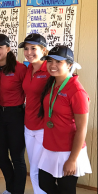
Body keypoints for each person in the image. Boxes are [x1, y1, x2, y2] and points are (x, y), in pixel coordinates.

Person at [37, 46, 92, 194]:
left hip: (68, 150)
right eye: (49, 61)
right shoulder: (53, 83)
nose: (52, 65)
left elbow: (82, 129)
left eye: (58, 62)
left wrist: (72, 160)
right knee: (44, 183)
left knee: (66, 189)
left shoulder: (77, 91)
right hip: (51, 146)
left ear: (69, 64)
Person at [0, 34, 27, 194]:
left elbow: (32, 91)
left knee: (17, 158)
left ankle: (16, 191)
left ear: (8, 48)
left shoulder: (20, 68)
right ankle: (10, 187)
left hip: (16, 116)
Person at [19, 33, 50, 194]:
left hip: (44, 127)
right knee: (33, 166)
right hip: (28, 125)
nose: (29, 52)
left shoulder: (51, 69)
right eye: (26, 49)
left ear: (44, 50)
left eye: (33, 48)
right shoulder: (28, 68)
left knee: (39, 168)